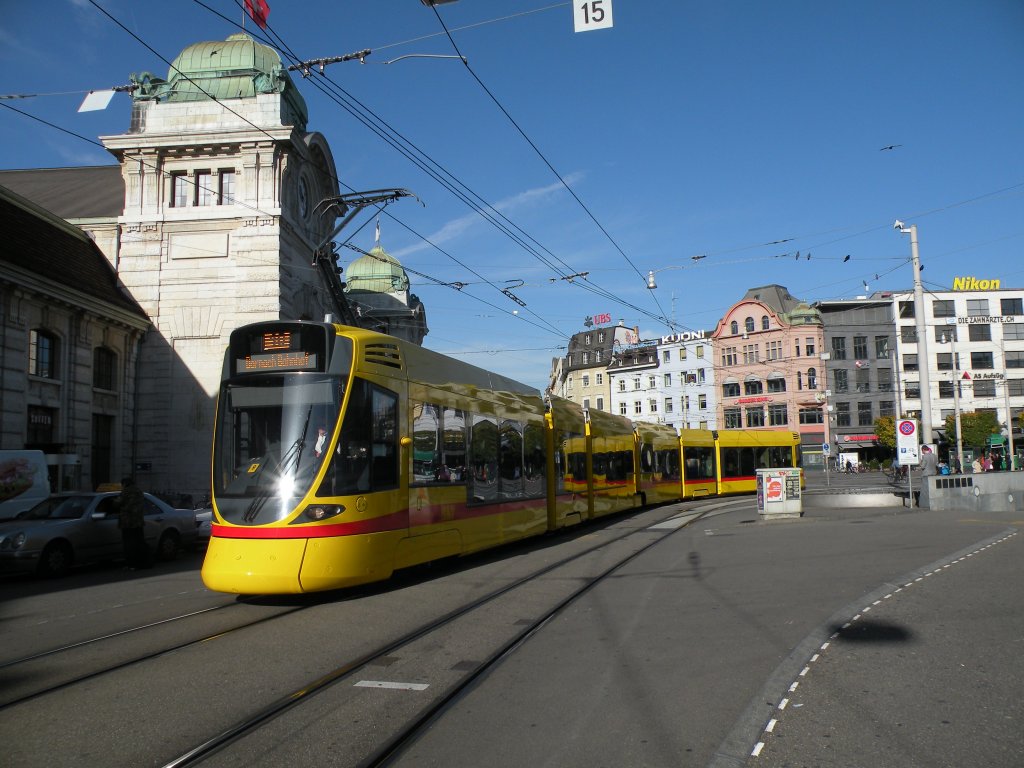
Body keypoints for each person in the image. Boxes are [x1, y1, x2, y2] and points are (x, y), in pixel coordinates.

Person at [118, 476, 151, 570]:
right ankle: (140, 563)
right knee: (139, 542)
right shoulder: (139, 491)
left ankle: (130, 564)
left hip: (127, 522)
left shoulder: (125, 492)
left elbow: (118, 503)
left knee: (128, 544)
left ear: (124, 484)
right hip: (138, 522)